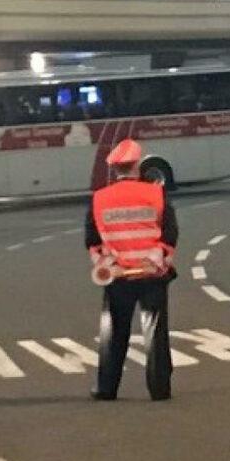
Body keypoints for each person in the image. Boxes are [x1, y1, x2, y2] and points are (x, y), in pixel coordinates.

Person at [86, 138, 177, 401]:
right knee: (155, 332)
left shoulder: (99, 199)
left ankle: (107, 388)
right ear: (137, 165)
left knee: (113, 333)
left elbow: (92, 239)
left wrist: (106, 264)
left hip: (118, 277)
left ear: (115, 169)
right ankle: (159, 388)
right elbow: (170, 234)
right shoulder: (156, 194)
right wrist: (159, 259)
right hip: (152, 274)